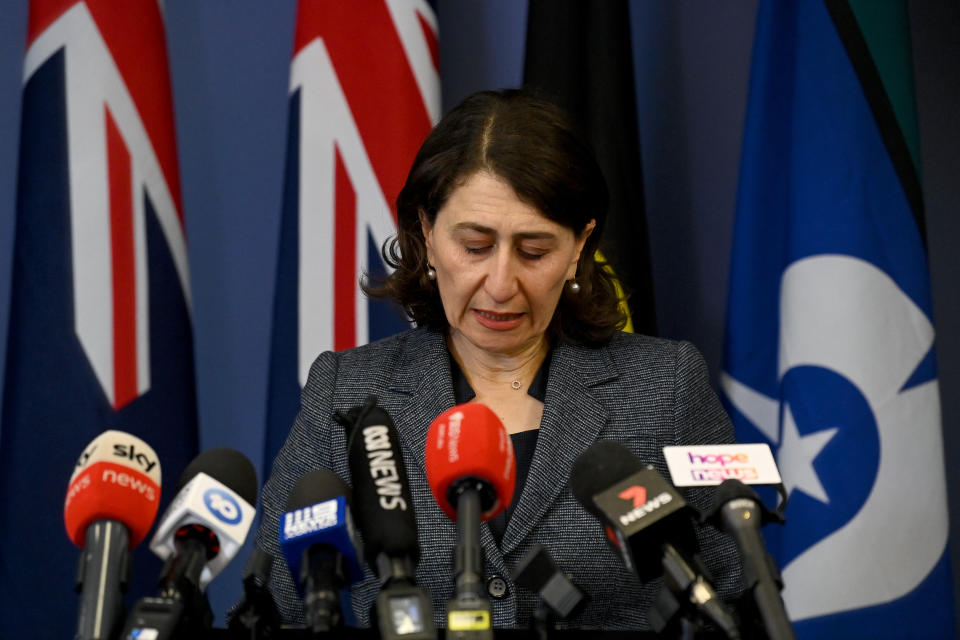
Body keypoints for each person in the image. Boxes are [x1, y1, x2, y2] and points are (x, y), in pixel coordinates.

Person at [251, 89, 742, 630]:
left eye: (534, 251)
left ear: (580, 246)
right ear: (427, 235)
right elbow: (275, 605)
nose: (502, 284)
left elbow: (734, 602)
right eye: (475, 246)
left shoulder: (665, 385)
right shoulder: (347, 391)